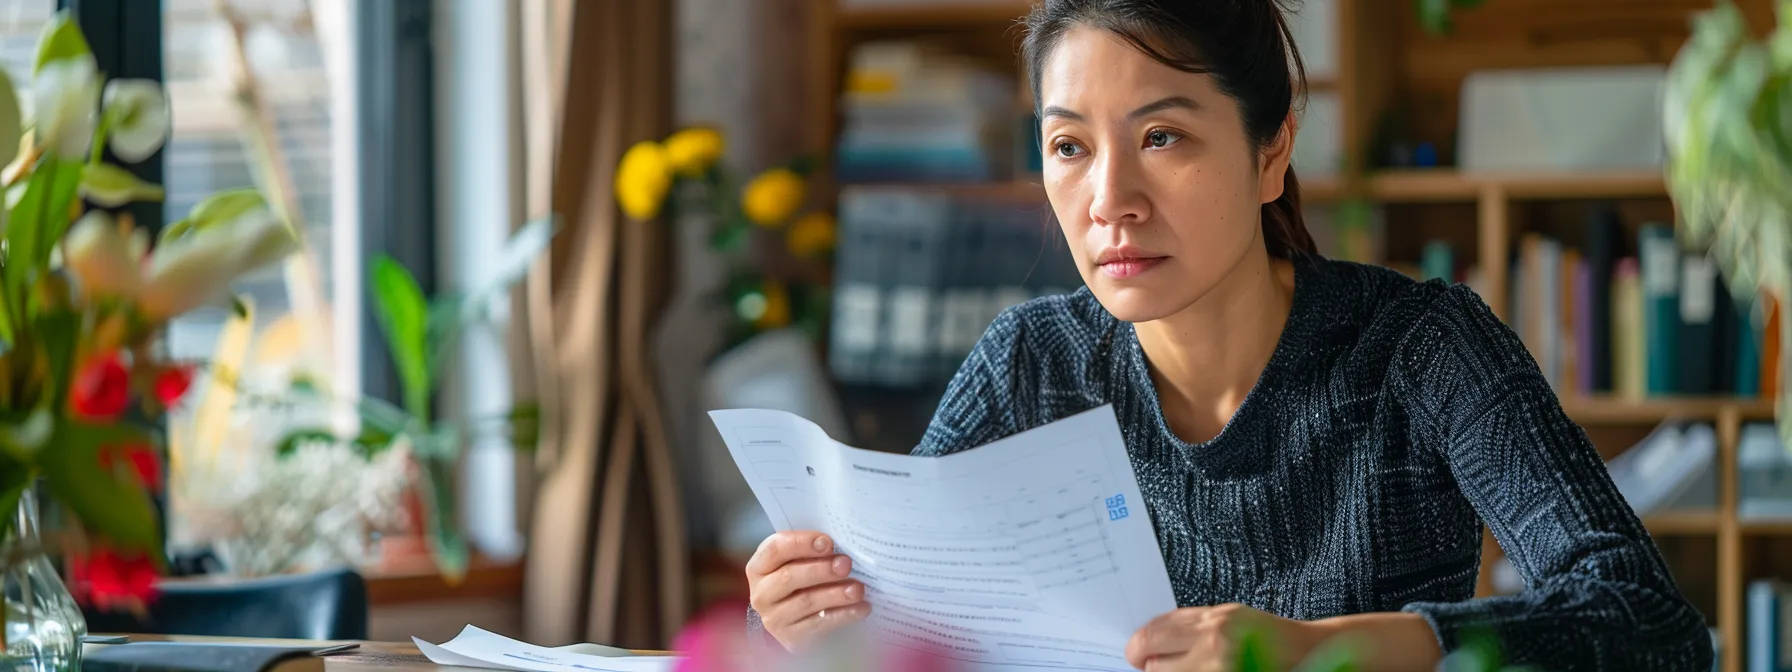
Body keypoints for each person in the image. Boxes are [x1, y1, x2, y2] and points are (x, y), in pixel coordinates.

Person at [742, 0, 1714, 669]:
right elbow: (914, 620)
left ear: (1271, 149)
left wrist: (1325, 650)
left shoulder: (1418, 348)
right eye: (1069, 147)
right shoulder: (1028, 366)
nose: (1109, 201)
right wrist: (811, 618)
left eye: (1162, 136)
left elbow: (1647, 625)